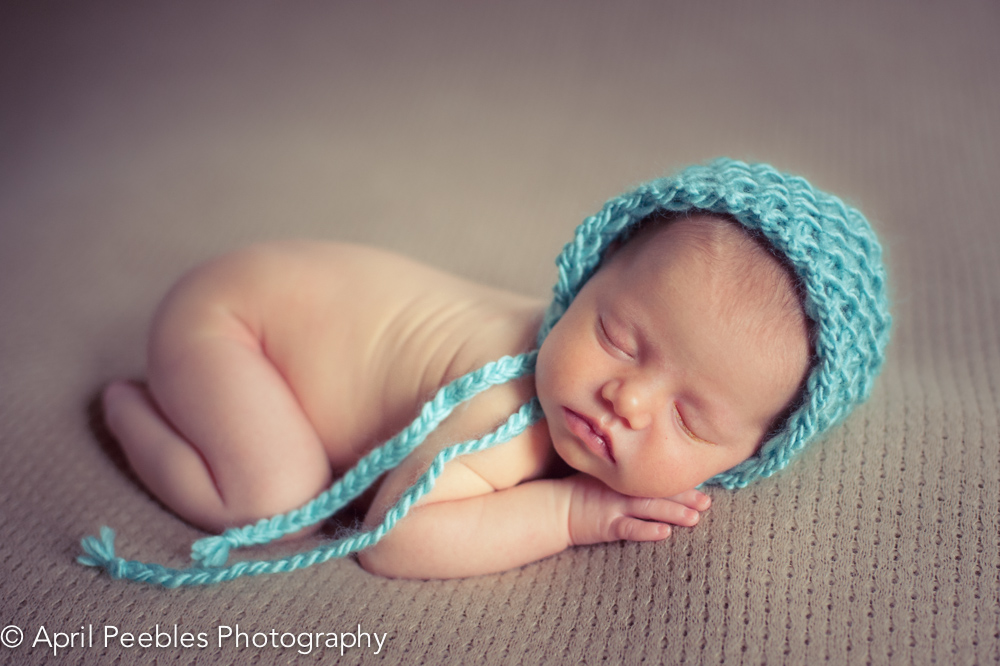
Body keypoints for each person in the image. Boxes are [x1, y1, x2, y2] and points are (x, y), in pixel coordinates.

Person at [87, 159, 892, 583]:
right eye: (617, 335)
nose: (627, 398)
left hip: (279, 288)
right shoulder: (510, 406)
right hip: (233, 326)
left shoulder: (616, 359)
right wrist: (570, 515)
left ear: (752, 456)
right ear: (586, 278)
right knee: (279, 501)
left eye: (692, 419)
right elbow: (392, 540)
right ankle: (130, 409)